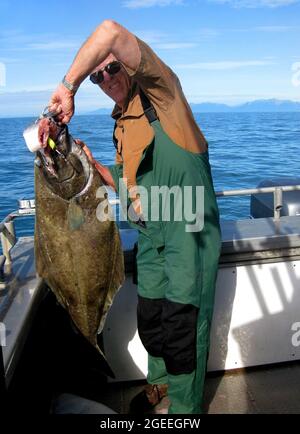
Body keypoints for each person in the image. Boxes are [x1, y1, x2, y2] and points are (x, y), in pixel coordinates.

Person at [48, 20, 221, 414]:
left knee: (181, 327)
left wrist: (69, 86)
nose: (106, 78)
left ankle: (183, 411)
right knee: (152, 320)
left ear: (127, 64)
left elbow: (109, 30)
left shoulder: (165, 97)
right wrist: (95, 168)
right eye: (96, 77)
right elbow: (132, 189)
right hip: (150, 237)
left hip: (187, 234)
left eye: (111, 67)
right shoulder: (121, 123)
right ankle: (159, 388)